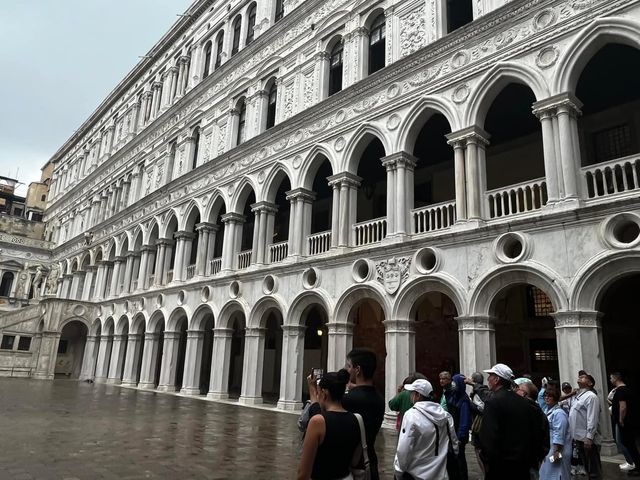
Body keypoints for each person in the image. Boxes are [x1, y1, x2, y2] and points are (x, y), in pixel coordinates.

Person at [478, 363, 543, 480]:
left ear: (497, 379)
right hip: (522, 464)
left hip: (500, 466)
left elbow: (489, 436)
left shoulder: (493, 402)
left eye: (491, 376)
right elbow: (534, 432)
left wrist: (487, 460)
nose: (488, 379)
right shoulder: (523, 402)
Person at [297, 370, 362, 480]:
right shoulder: (356, 419)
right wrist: (313, 390)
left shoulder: (318, 422)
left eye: (318, 393)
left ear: (324, 393)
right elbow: (355, 461)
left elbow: (303, 473)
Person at [394, 378, 459, 480]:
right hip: (441, 474)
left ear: (418, 395)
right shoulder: (446, 416)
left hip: (416, 474)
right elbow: (454, 444)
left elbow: (404, 449)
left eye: (412, 393)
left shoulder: (411, 415)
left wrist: (398, 471)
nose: (410, 396)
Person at [343, 348, 385, 480]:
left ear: (358, 369)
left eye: (349, 366)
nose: (347, 370)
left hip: (352, 465)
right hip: (369, 461)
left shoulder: (349, 400)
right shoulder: (379, 398)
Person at [568, 373, 602, 480]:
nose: (579, 378)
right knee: (587, 466)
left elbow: (592, 418)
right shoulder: (579, 396)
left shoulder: (591, 397)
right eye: (579, 377)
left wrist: (589, 437)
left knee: (593, 469)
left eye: (583, 377)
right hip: (578, 437)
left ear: (590, 383)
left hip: (586, 439)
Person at [610, 372, 640, 474]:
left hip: (625, 422)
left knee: (629, 444)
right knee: (630, 443)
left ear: (615, 379)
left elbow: (623, 407)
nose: (610, 380)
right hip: (630, 421)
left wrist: (621, 419)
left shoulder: (620, 391)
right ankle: (636, 465)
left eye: (611, 378)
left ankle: (637, 466)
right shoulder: (627, 389)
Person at [539, 386, 572, 480]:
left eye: (550, 396)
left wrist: (556, 450)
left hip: (558, 449)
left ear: (555, 398)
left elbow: (559, 433)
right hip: (550, 447)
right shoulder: (547, 411)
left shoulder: (559, 413)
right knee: (548, 473)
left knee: (557, 474)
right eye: (545, 396)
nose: (547, 398)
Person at [443, 374, 472, 480]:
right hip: (453, 432)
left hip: (459, 434)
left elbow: (464, 419)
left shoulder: (463, 399)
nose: (453, 384)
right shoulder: (453, 395)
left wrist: (461, 436)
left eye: (455, 382)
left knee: (460, 458)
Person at [465, 372, 489, 476]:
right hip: (480, 423)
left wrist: (470, 404)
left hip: (480, 424)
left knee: (479, 450)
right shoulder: (481, 391)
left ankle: (485, 474)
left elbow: (482, 408)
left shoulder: (479, 393)